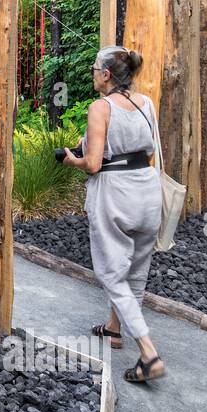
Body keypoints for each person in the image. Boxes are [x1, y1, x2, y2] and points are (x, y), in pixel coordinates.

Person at [62, 46, 166, 383]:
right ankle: (113, 329)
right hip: (148, 192)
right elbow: (146, 149)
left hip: (116, 194)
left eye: (95, 68)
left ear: (106, 75)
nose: (93, 73)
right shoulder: (146, 103)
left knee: (111, 273)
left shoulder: (100, 108)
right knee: (136, 272)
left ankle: (148, 353)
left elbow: (92, 164)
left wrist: (71, 159)